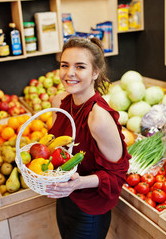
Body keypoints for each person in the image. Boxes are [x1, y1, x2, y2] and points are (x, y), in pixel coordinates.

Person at [45, 37, 131, 239]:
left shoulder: (98, 118)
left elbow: (117, 176)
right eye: (64, 65)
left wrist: (79, 183)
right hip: (65, 199)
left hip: (89, 210)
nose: (69, 73)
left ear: (95, 72)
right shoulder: (59, 103)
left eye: (80, 67)